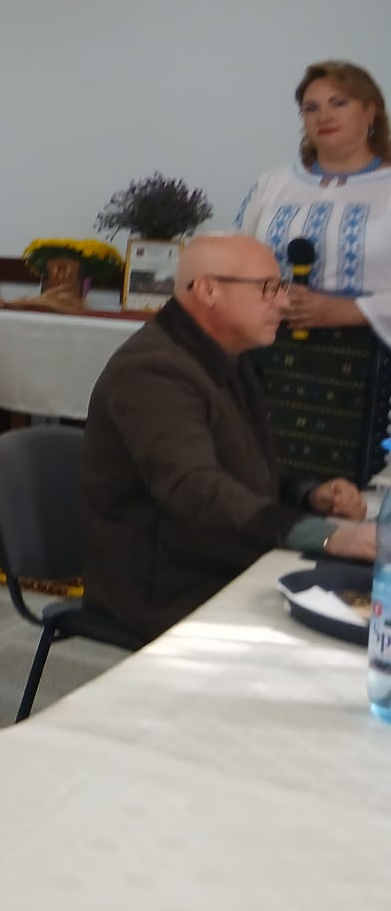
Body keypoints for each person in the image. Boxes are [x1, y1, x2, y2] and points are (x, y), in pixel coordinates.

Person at [81, 233, 376, 641]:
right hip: (165, 586)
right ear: (208, 290)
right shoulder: (153, 370)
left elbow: (237, 466)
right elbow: (195, 488)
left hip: (216, 558)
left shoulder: (219, 355)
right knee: (351, 632)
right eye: (267, 288)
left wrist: (308, 495)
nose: (284, 303)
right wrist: (327, 535)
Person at [235, 60, 391, 490]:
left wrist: (351, 309)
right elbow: (236, 260)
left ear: (370, 111)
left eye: (339, 103)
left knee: (353, 494)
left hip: (371, 365)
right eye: (311, 107)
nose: (324, 115)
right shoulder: (273, 186)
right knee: (264, 477)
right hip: (273, 360)